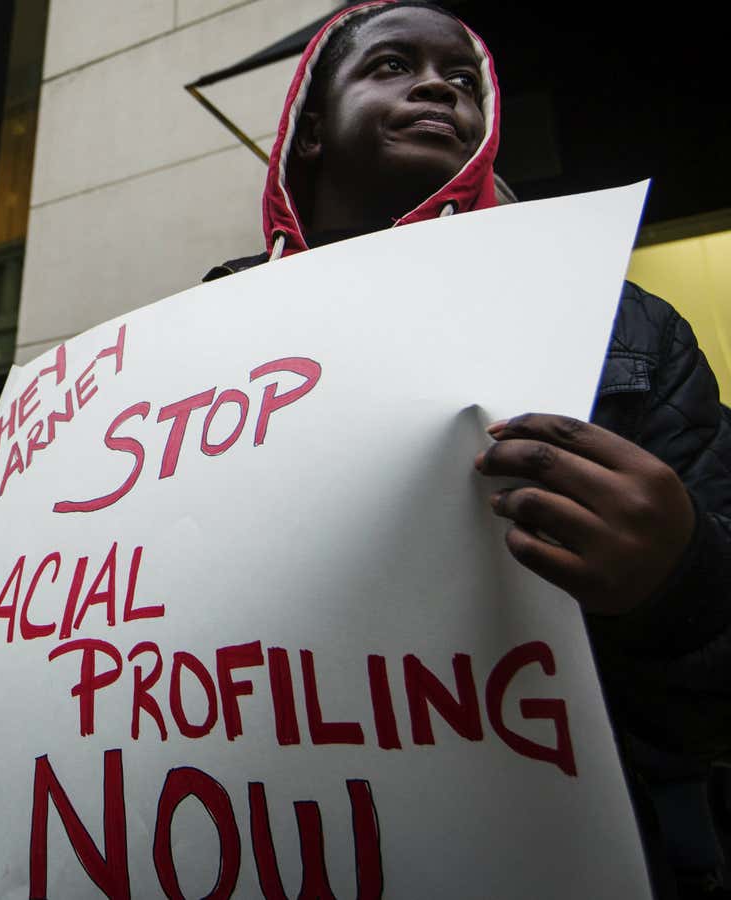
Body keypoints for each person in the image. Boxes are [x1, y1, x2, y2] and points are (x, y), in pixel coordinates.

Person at [203, 4, 731, 896]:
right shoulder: (194, 346)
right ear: (314, 129)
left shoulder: (623, 323)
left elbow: (708, 712)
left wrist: (680, 582)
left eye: (465, 77)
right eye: (392, 65)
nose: (439, 85)